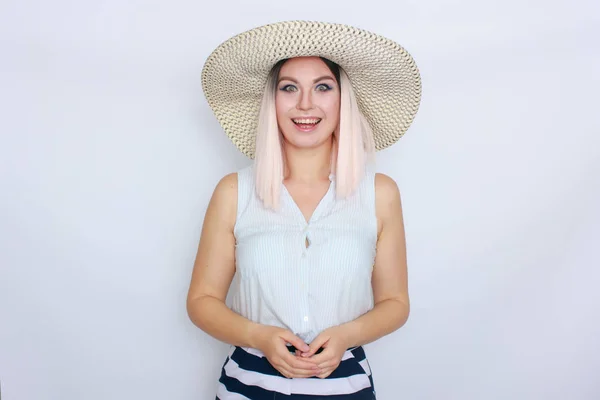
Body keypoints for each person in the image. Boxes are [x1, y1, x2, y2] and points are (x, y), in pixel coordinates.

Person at [187, 21, 422, 399]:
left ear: (343, 100)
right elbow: (201, 302)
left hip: (346, 385)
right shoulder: (235, 192)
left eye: (323, 87)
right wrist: (259, 336)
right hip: (249, 385)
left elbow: (396, 303)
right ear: (272, 101)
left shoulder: (380, 194)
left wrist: (347, 334)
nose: (305, 104)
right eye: (289, 87)